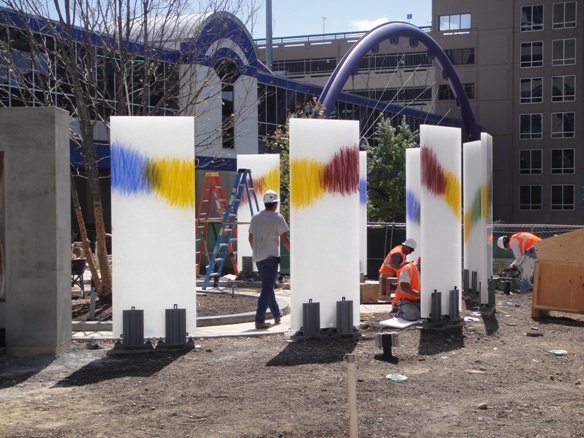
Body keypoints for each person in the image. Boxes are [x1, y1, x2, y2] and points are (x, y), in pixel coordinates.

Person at [248, 190, 290, 329]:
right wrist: (294, 254)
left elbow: (250, 238)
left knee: (268, 286)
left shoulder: (255, 217)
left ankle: (277, 314)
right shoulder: (278, 218)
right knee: (267, 288)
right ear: (275, 204)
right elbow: (284, 239)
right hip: (271, 257)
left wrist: (257, 251)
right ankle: (259, 320)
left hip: (259, 258)